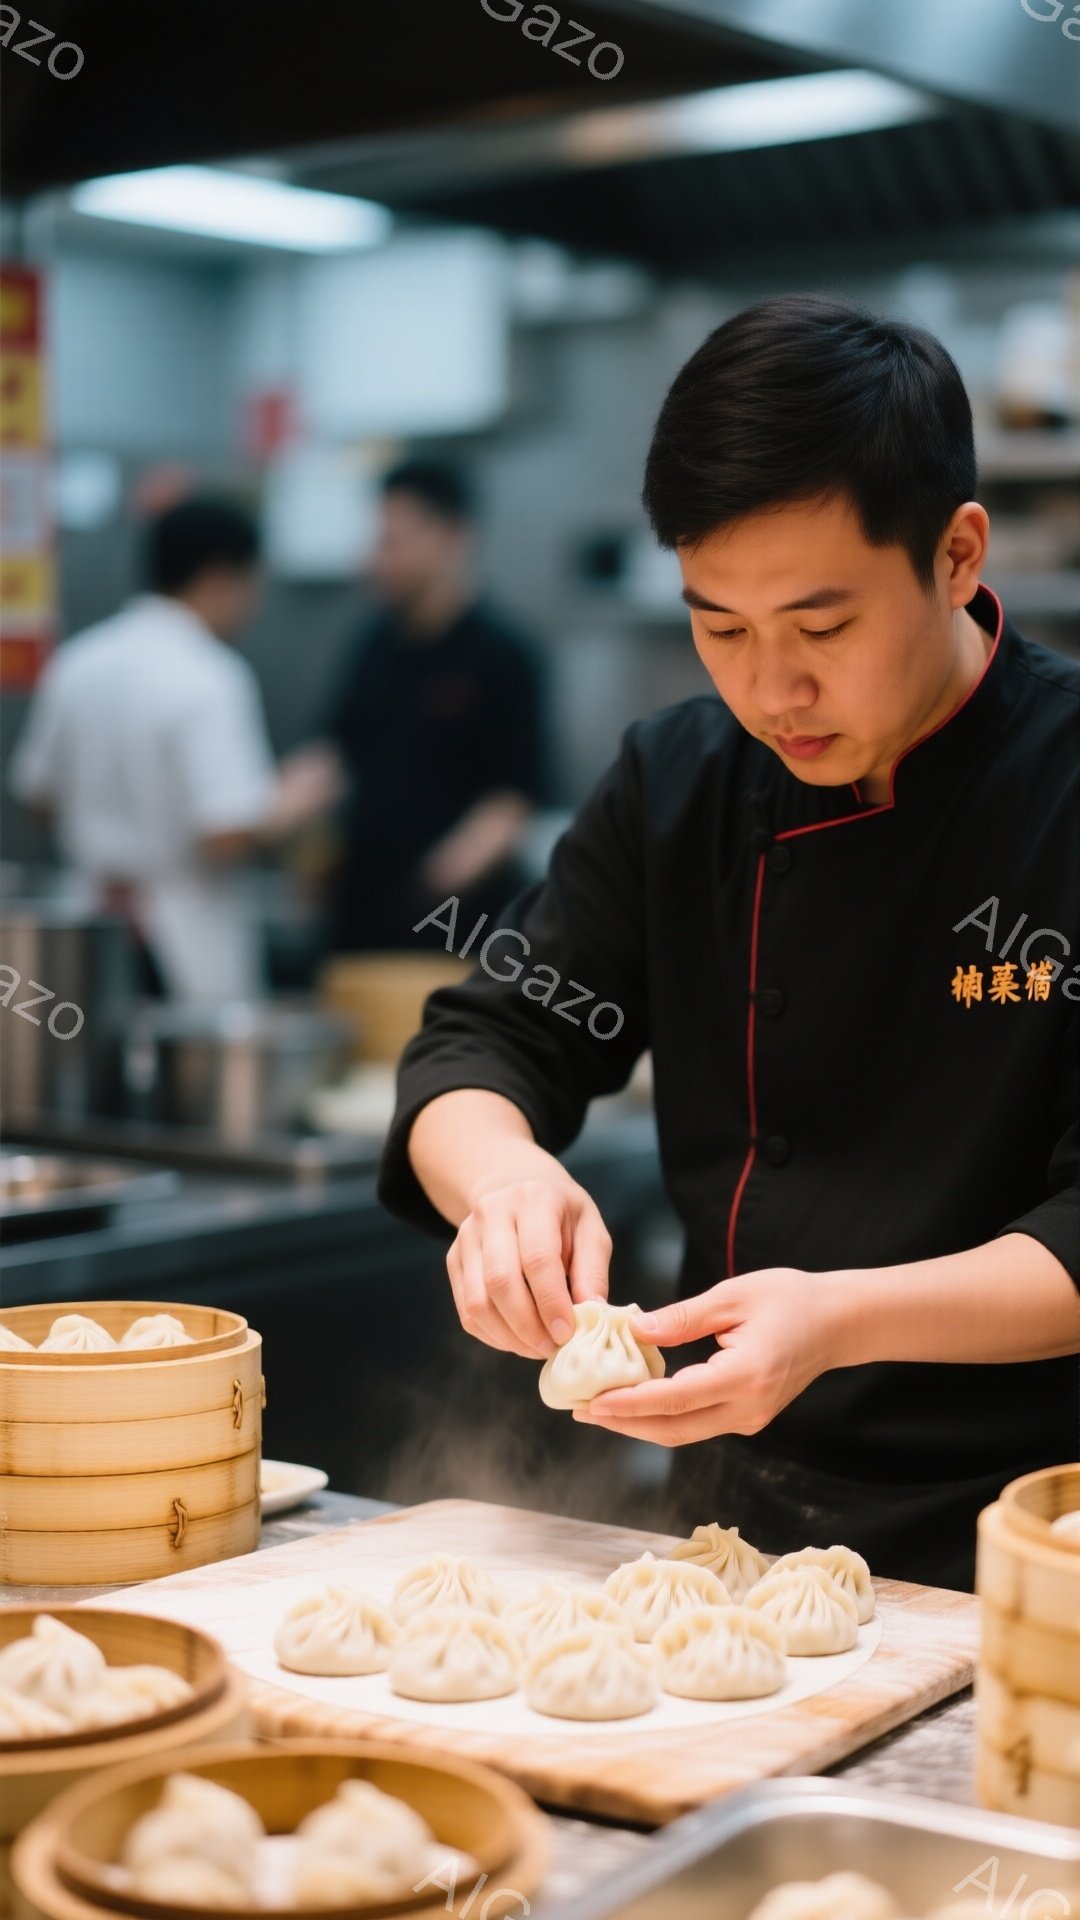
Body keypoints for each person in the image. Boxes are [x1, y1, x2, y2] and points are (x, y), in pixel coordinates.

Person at [377, 296, 1080, 1592]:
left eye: (823, 628)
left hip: (1028, 1535)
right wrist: (504, 1185)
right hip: (725, 1527)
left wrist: (841, 1318)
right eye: (720, 627)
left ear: (959, 556)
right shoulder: (683, 778)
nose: (772, 692)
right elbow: (487, 1038)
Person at [11, 495, 282, 1001]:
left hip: (87, 925)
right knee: (185, 1074)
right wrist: (291, 805)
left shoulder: (78, 662)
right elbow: (224, 832)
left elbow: (37, 798)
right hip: (182, 939)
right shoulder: (211, 676)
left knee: (78, 1062)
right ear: (220, 578)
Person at [279, 460, 548, 952]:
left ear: (453, 537)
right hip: (356, 909)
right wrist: (273, 816)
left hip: (452, 923)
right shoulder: (373, 642)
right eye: (375, 541)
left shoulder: (503, 654)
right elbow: (337, 752)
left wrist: (438, 881)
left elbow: (512, 801)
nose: (375, 560)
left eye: (392, 542)